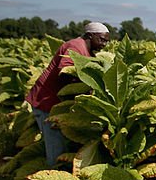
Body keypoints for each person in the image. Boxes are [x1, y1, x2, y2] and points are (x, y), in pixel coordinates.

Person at [25, 21, 111, 168]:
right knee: (55, 144)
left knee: (62, 142)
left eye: (107, 41)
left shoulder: (88, 51)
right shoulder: (75, 46)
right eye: (102, 39)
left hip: (57, 105)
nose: (104, 44)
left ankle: (59, 172)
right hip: (46, 102)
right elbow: (65, 72)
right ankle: (52, 177)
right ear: (90, 35)